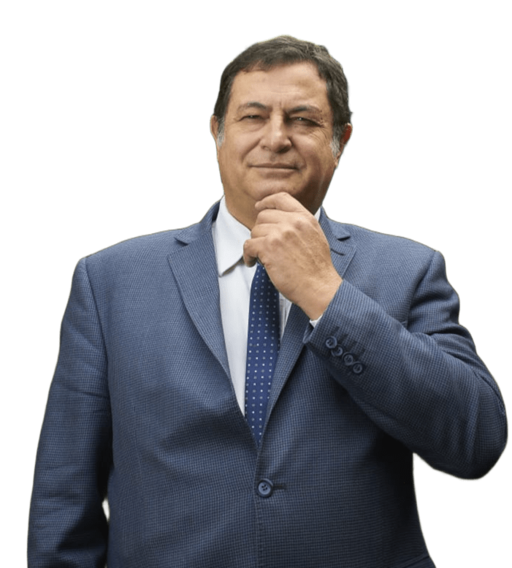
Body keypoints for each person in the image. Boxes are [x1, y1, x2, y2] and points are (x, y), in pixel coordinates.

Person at [27, 34, 507, 568]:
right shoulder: (110, 281)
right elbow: (63, 496)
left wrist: (325, 294)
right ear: (217, 132)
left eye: (303, 120)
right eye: (253, 117)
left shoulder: (409, 270)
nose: (276, 138)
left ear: (341, 141)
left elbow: (475, 442)